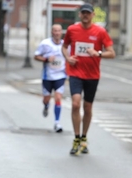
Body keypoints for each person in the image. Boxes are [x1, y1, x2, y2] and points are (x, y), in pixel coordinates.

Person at [62, 3, 115, 155]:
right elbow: (64, 47)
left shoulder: (100, 31)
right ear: (80, 14)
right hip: (75, 72)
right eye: (83, 13)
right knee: (75, 103)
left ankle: (84, 137)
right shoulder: (72, 29)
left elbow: (112, 53)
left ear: (92, 15)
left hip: (92, 75)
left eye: (88, 13)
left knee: (87, 107)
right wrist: (67, 58)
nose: (85, 15)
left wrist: (98, 53)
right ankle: (76, 138)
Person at [34, 24, 66, 133]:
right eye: (55, 31)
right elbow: (36, 56)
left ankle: (57, 123)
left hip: (60, 76)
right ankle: (46, 106)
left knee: (58, 98)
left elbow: (70, 57)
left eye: (59, 31)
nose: (57, 33)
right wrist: (46, 59)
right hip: (47, 76)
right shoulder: (45, 43)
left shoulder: (65, 45)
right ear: (52, 32)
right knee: (46, 99)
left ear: (61, 32)